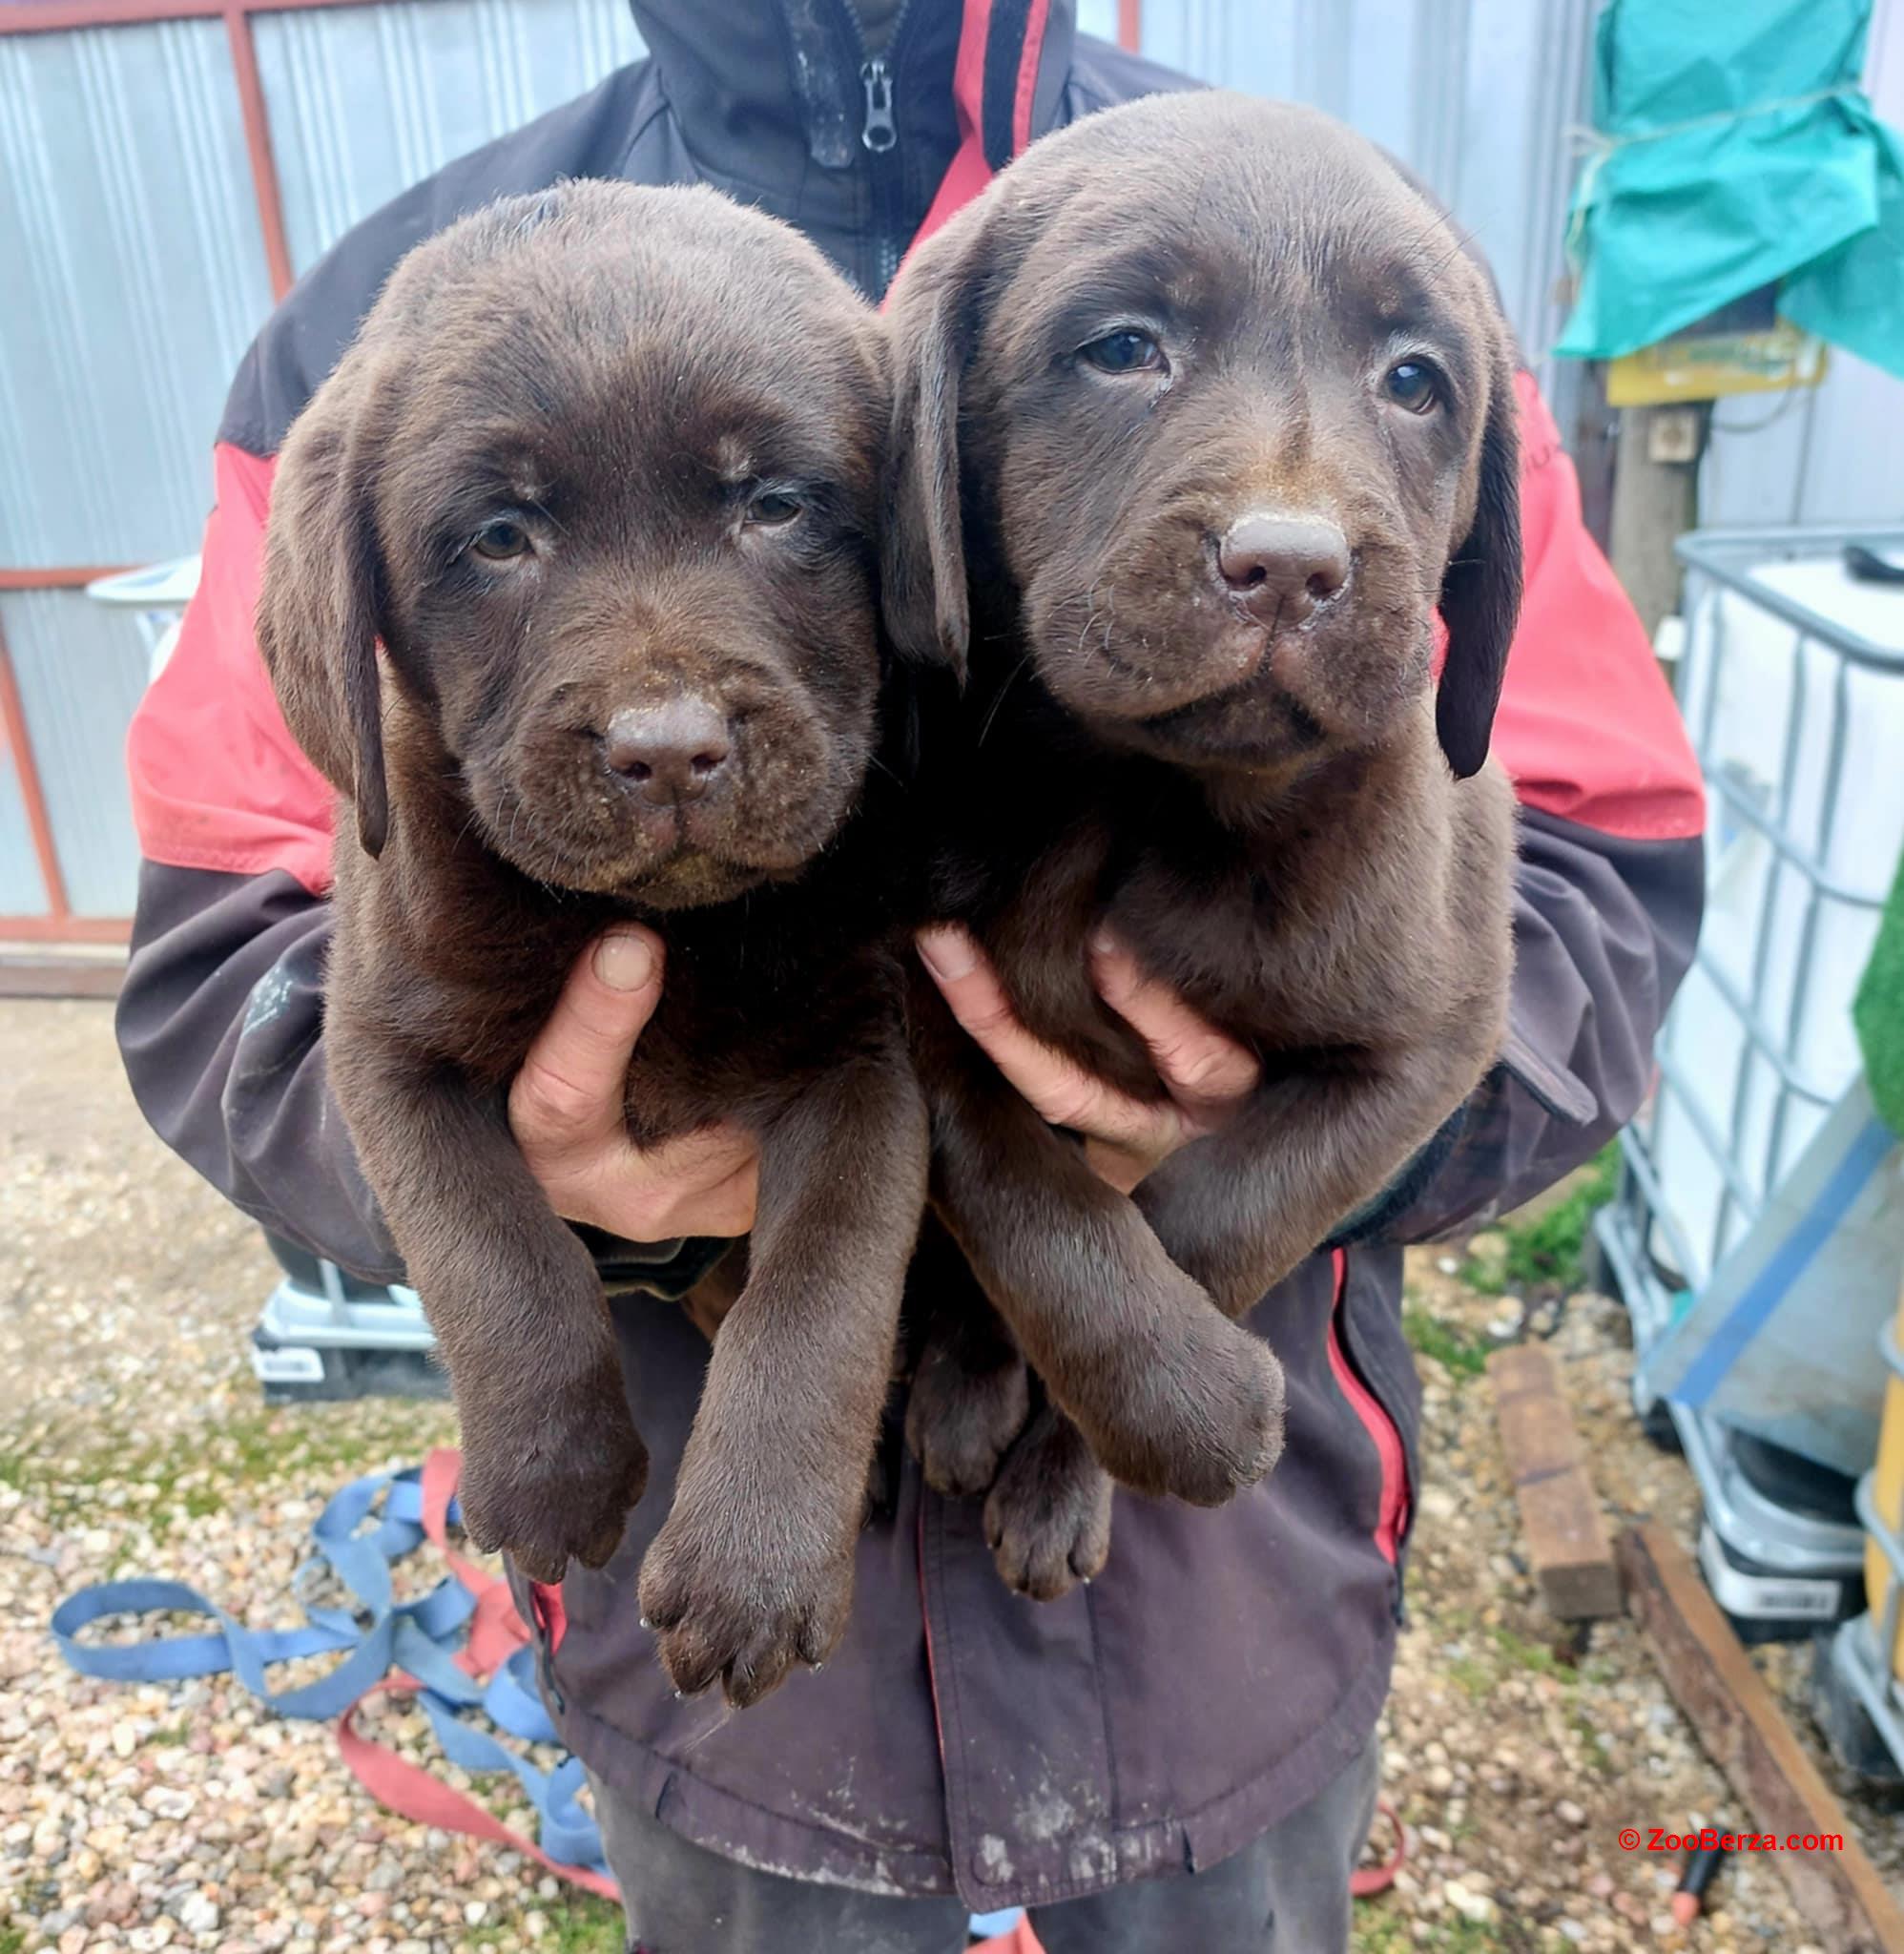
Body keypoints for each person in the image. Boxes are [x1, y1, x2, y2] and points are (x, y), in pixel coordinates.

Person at [114, 4, 1707, 1948]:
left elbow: (1599, 889)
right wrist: (556, 1192)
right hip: (713, 1616)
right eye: (1123, 352)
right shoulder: (381, 321)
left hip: (1219, 1594)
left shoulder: (1357, 237)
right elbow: (223, 963)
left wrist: (1262, 1158)